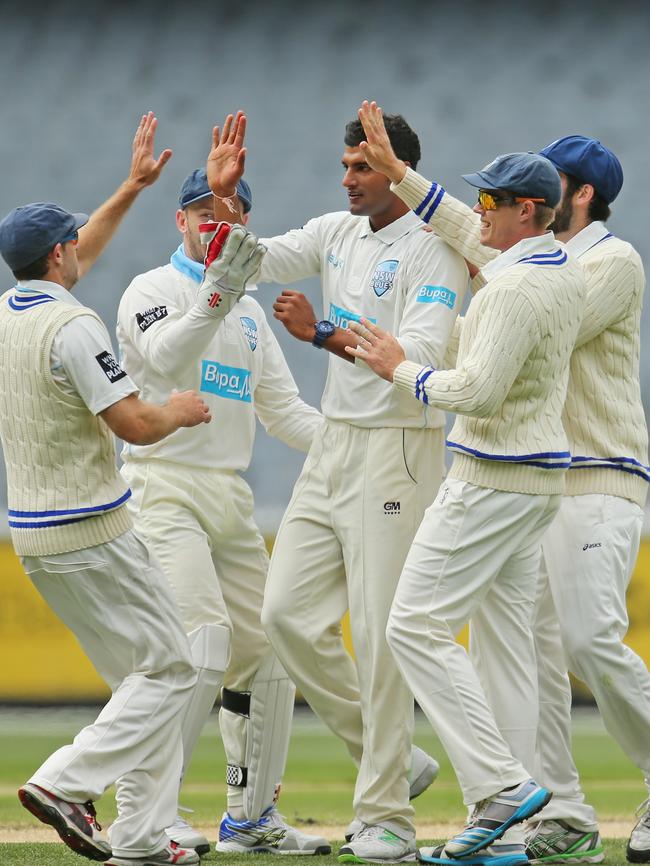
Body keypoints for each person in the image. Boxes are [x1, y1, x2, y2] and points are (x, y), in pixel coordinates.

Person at [357, 106, 650, 865]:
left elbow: (509, 329)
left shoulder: (608, 264)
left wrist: (410, 364)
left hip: (595, 472)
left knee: (586, 638)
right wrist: (403, 177)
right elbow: (491, 252)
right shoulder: (541, 262)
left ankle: (511, 790)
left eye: (542, 182)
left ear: (569, 197)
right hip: (542, 469)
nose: (487, 211)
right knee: (524, 654)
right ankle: (553, 811)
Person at [206, 110, 469, 863]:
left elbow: (413, 354)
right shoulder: (337, 231)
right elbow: (250, 263)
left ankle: (387, 815)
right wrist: (225, 203)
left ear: (396, 167)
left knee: (383, 636)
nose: (347, 179)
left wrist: (323, 335)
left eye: (361, 167)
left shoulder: (435, 250)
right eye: (345, 166)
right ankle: (396, 761)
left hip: (399, 452)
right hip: (333, 448)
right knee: (285, 616)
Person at [116, 162, 331, 857]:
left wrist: (368, 441)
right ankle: (151, 813)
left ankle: (251, 818)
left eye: (231, 214)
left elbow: (288, 415)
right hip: (162, 485)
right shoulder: (151, 290)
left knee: (272, 646)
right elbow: (164, 358)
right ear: (180, 221)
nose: (217, 222)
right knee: (201, 644)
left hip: (228, 497)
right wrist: (218, 290)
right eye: (203, 212)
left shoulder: (247, 313)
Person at [0, 194, 216, 866]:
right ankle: (64, 783)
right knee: (175, 671)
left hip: (35, 539)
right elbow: (134, 425)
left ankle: (143, 840)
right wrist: (178, 410)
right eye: (73, 243)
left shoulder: (10, 313)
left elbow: (76, 249)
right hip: (93, 529)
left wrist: (130, 185)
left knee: (142, 682)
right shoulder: (74, 325)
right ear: (59, 255)